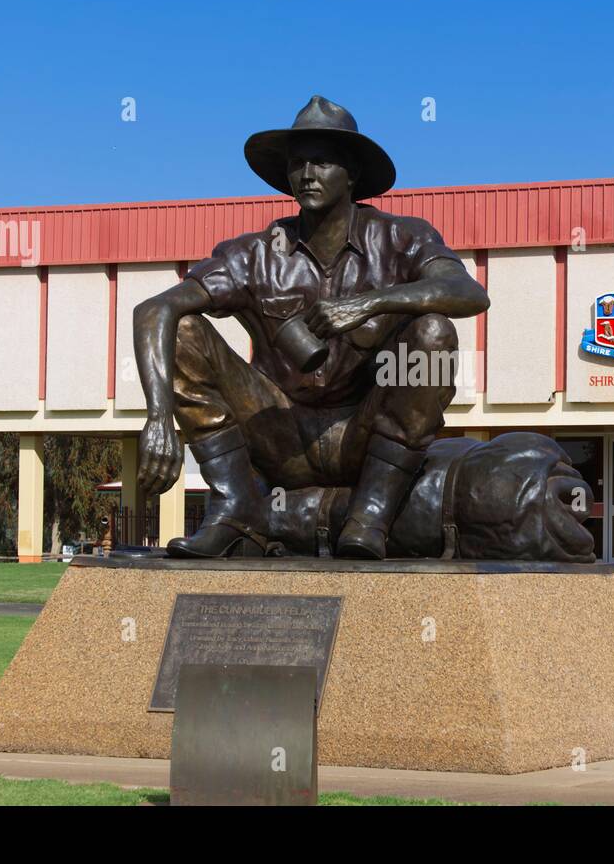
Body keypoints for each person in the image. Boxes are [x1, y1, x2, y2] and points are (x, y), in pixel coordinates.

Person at [133, 96, 489, 559]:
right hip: (278, 436)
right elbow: (153, 310)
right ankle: (238, 510)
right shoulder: (256, 252)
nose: (306, 174)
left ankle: (371, 515)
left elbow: (469, 293)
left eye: (322, 162)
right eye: (298, 164)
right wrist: (159, 418)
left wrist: (369, 303)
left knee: (433, 332)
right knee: (181, 329)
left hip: (363, 437)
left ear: (352, 174)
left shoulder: (400, 237)